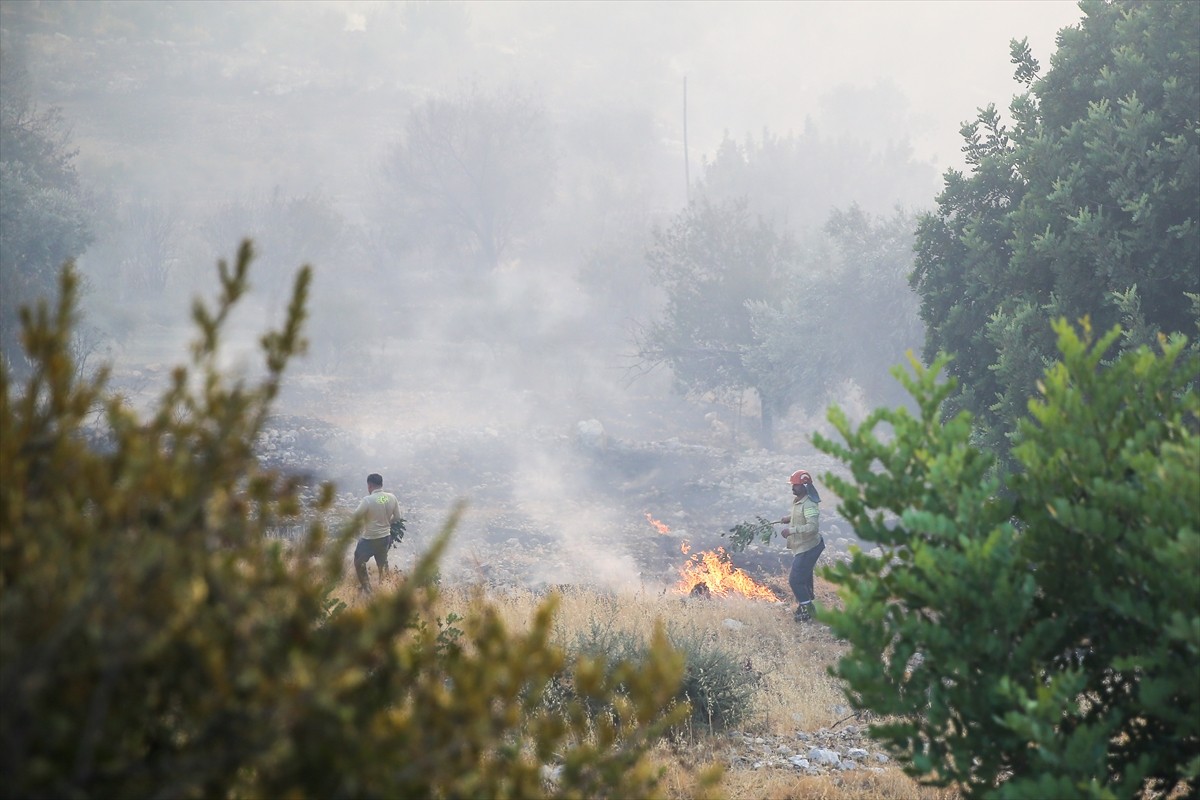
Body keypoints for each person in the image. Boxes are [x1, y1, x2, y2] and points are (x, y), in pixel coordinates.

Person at [779, 468, 824, 622]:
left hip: (809, 547)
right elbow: (799, 515)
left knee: (795, 580)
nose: (792, 488)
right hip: (804, 546)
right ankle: (809, 604)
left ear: (804, 486)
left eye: (796, 485)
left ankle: (807, 610)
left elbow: (812, 527)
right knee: (804, 577)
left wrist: (792, 530)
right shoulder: (800, 501)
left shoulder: (810, 505)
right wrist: (788, 518)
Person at [353, 473, 402, 593]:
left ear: (369, 486)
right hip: (385, 537)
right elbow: (397, 517)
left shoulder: (368, 500)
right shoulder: (390, 497)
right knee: (382, 563)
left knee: (359, 562)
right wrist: (387, 523)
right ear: (381, 484)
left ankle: (367, 589)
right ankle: (384, 589)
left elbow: (356, 517)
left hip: (369, 538)